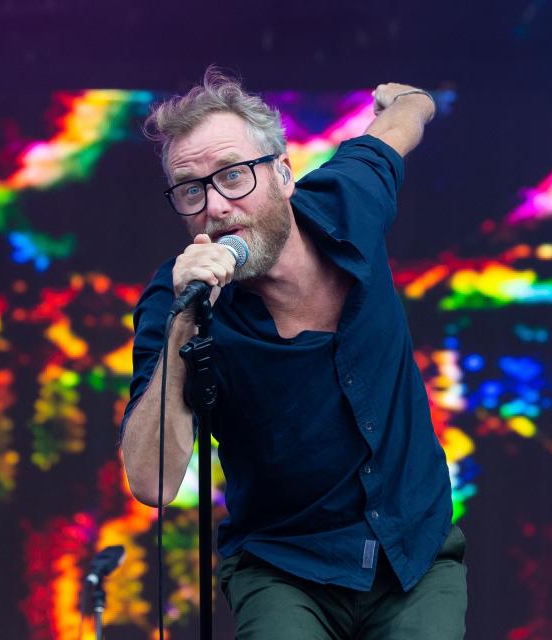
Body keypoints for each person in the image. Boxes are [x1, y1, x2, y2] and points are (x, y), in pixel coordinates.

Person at [119, 66, 467, 639]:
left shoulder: (347, 202)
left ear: (283, 173)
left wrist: (410, 98)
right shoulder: (176, 299)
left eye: (233, 176)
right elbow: (151, 483)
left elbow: (397, 128)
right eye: (191, 189)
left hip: (414, 553)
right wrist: (185, 322)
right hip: (285, 567)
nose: (217, 206)